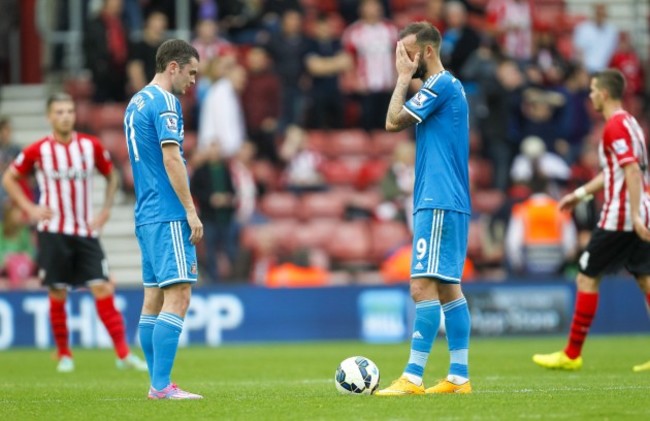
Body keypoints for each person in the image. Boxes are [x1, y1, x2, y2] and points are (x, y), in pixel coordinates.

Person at [1, 92, 147, 373]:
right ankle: (65, 353)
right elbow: (9, 178)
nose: (66, 116)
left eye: (69, 111)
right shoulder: (38, 150)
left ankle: (122, 353)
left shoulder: (90, 146)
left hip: (84, 231)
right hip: (52, 231)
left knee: (102, 286)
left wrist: (105, 210)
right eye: (59, 112)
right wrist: (30, 208)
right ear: (49, 116)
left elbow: (112, 175)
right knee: (58, 293)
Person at [375, 22, 472, 396]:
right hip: (447, 198)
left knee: (421, 287)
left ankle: (412, 377)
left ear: (427, 52)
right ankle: (459, 376)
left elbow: (391, 122)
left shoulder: (440, 84)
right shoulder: (448, 87)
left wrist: (401, 79)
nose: (404, 59)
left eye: (408, 53)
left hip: (438, 198)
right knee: (448, 288)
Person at [532, 69, 650, 372]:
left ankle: (572, 354)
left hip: (620, 216)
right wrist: (581, 194)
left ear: (605, 94)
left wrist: (634, 215)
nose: (590, 95)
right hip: (637, 210)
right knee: (645, 279)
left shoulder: (614, 127)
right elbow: (616, 171)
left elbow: (632, 171)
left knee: (587, 277)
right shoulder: (631, 123)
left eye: (593, 90)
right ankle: (572, 353)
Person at [123, 39, 204, 399]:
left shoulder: (136, 101)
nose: (193, 81)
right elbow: (172, 158)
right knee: (179, 295)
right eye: (191, 72)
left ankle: (157, 383)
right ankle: (161, 385)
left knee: (153, 299)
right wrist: (189, 209)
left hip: (145, 213)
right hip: (168, 212)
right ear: (174, 67)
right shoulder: (166, 102)